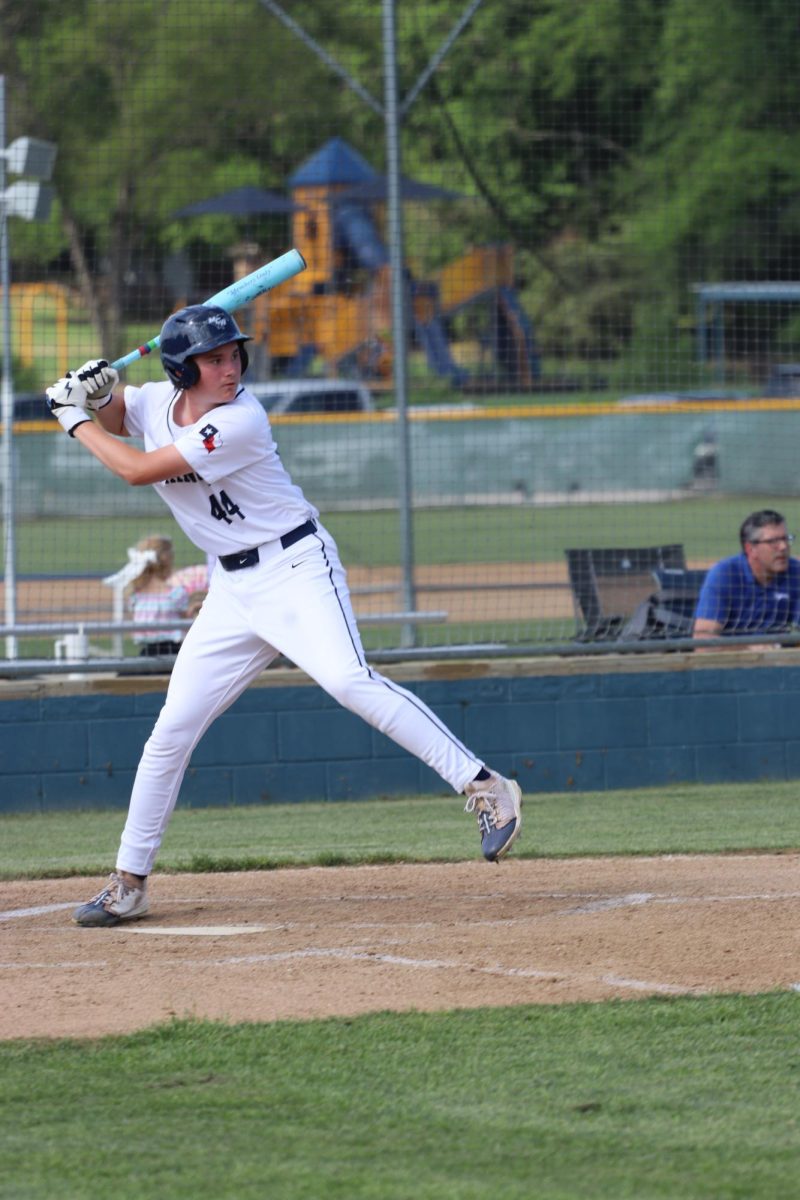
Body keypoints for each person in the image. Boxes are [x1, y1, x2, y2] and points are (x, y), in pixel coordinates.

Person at [45, 305, 522, 926]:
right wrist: (95, 391)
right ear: (182, 370)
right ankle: (130, 882)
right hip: (231, 589)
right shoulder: (159, 398)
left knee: (349, 680)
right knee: (171, 732)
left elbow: (135, 469)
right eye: (214, 359)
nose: (231, 367)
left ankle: (486, 784)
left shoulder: (240, 419)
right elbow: (120, 414)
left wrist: (72, 418)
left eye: (234, 354)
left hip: (295, 569)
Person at [693, 509, 800, 644]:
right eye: (773, 541)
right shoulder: (724, 575)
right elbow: (702, 643)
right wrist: (751, 649)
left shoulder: (796, 573)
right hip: (730, 661)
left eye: (785, 539)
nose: (783, 547)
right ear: (751, 549)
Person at [128, 534, 189, 656]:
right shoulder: (176, 594)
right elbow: (187, 626)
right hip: (174, 654)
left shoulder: (135, 596)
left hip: (146, 654)